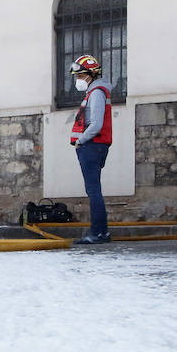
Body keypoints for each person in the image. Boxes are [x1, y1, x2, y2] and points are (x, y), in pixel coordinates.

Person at [68, 54, 113, 244]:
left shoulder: (96, 93)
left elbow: (95, 125)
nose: (78, 80)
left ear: (90, 75)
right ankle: (99, 231)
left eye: (80, 76)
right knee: (94, 190)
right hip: (94, 146)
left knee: (93, 191)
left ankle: (98, 233)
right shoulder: (95, 92)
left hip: (92, 146)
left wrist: (81, 141)